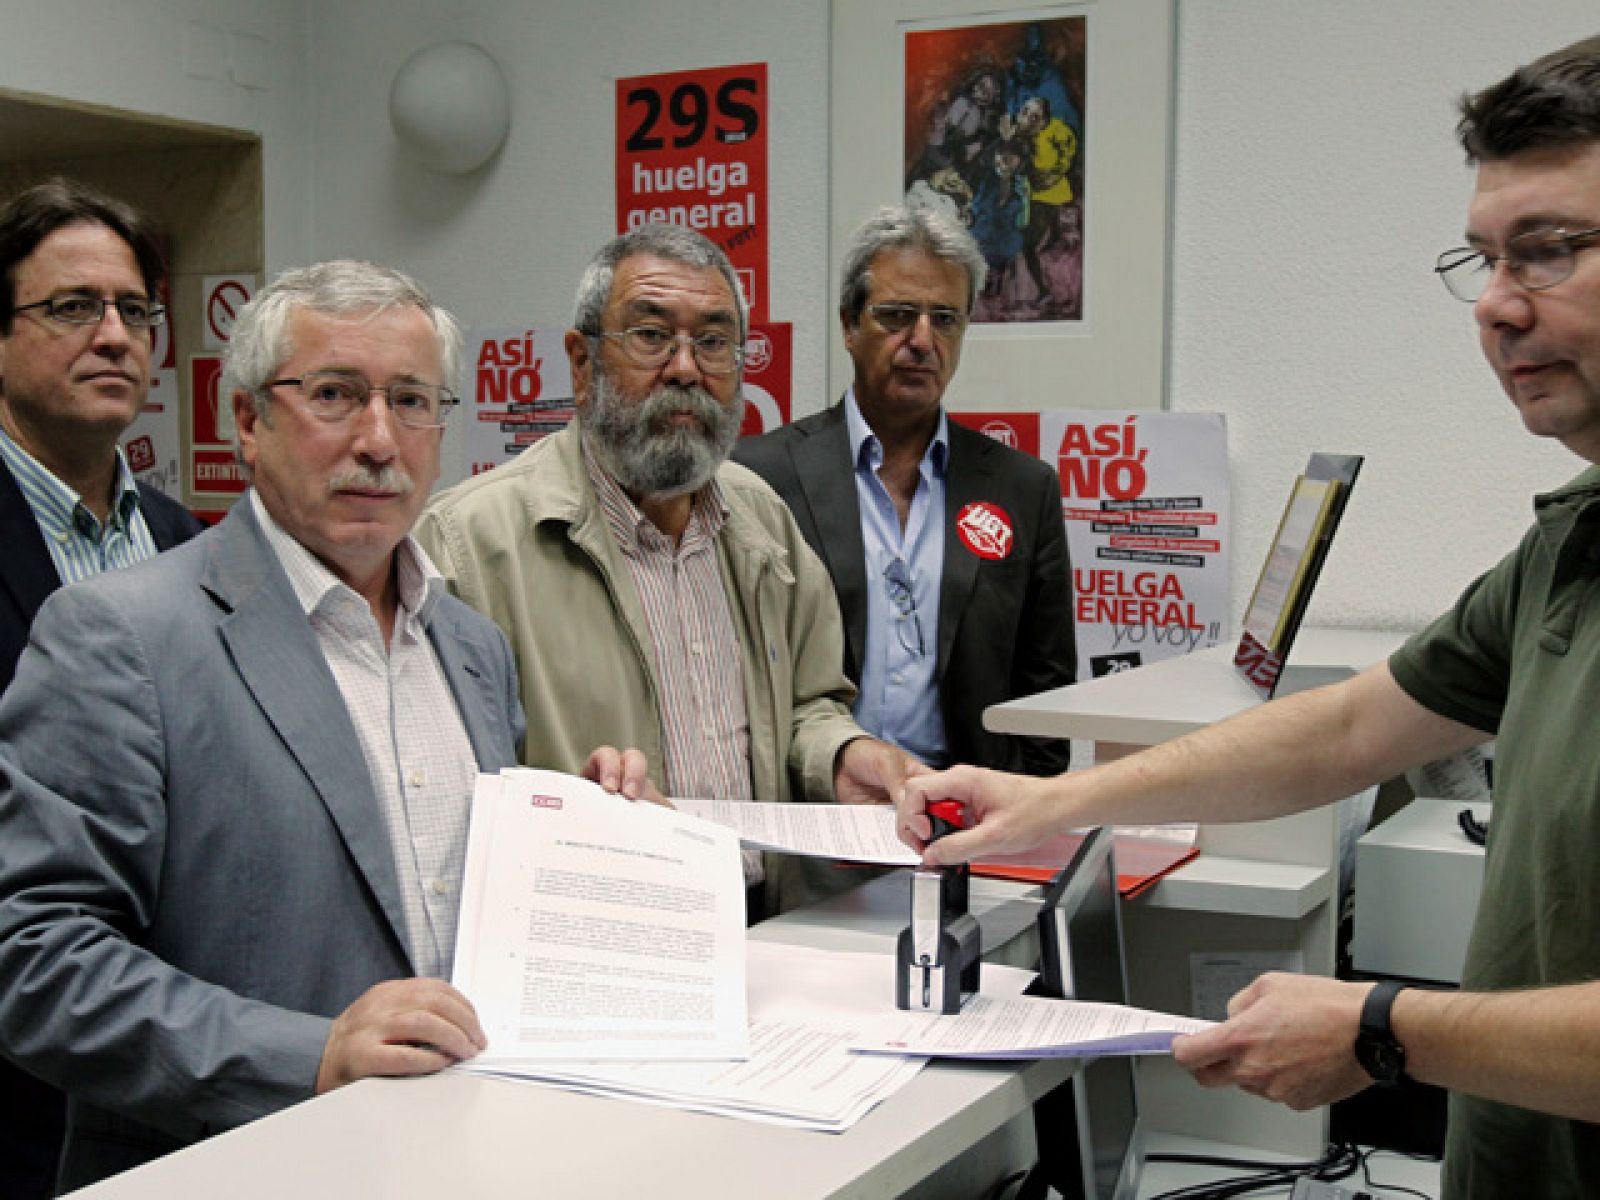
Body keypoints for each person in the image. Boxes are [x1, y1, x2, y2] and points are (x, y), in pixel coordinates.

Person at [896, 34, 1600, 1198]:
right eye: (1481, 259)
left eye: (1548, 252)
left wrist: (1382, 1028)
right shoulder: (1567, 538)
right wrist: (1052, 801)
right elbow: (1342, 730)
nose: (1495, 308)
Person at [0, 258, 648, 1191]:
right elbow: (35, 959)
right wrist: (308, 1054)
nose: (380, 440)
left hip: (459, 1161)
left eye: (413, 400)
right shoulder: (119, 635)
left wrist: (585, 843)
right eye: (336, 395)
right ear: (249, 423)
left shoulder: (471, 647)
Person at [416, 223, 913, 916]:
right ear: (582, 362)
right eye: (651, 336)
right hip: (595, 947)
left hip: (765, 926)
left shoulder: (761, 519)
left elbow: (807, 705)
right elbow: (442, 797)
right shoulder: (469, 543)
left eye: (713, 341)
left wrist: (842, 756)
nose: (686, 368)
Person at [0, 177, 204, 1198]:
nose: (115, 335)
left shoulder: (188, 541)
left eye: (134, 311)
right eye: (73, 307)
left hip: (175, 1039)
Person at [735, 205, 1075, 777]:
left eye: (945, 319)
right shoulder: (760, 475)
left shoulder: (1023, 488)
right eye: (897, 316)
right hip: (813, 815)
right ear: (848, 324)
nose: (922, 340)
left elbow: (1046, 698)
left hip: (964, 824)